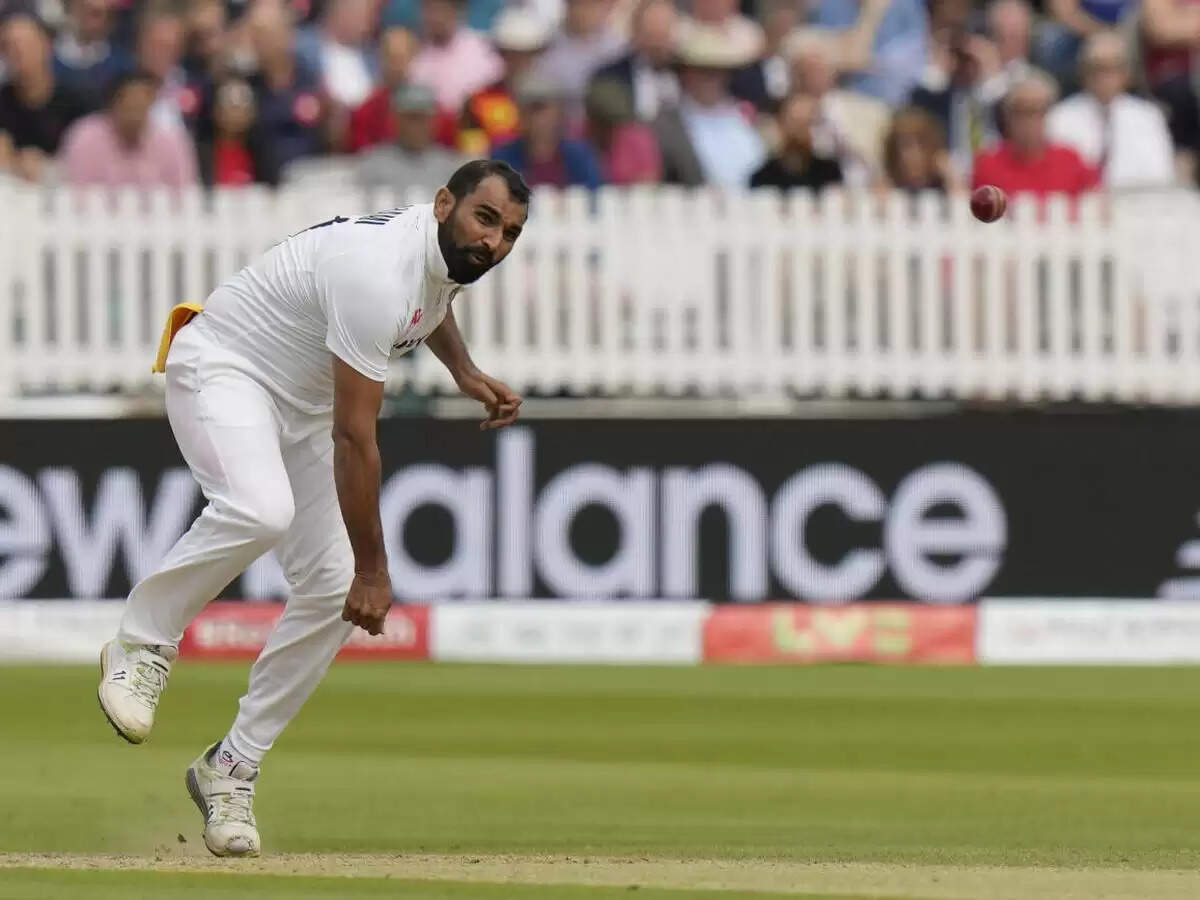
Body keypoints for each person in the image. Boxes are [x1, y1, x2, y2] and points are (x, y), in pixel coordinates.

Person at [96, 159, 529, 858]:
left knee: (328, 591)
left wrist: (466, 372)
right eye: (485, 220)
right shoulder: (375, 269)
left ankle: (230, 768)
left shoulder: (437, 256)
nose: (495, 244)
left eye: (510, 232)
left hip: (298, 405)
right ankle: (141, 643)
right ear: (444, 202)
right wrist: (374, 569)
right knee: (262, 510)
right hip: (227, 367)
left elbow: (430, 306)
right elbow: (355, 437)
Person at [1046, 30, 1175, 188]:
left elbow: (1163, 175)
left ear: (1126, 74)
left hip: (1137, 204)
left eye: (1113, 68)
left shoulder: (1148, 116)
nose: (1104, 77)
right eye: (1097, 68)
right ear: (1083, 73)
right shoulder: (1060, 117)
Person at [655, 25, 765, 187]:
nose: (710, 79)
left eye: (716, 71)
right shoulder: (667, 122)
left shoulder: (745, 117)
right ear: (685, 73)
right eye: (702, 71)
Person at [58, 68, 199, 188]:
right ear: (112, 104)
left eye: (141, 104)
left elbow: (185, 193)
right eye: (129, 104)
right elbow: (74, 189)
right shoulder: (85, 137)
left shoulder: (172, 142)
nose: (135, 112)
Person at [971, 70, 1100, 198]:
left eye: (1036, 110)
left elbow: (1096, 200)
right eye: (1021, 111)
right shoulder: (987, 164)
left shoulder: (1071, 161)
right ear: (1007, 116)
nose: (1029, 120)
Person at [0, 13, 89, 182]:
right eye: (8, 46)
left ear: (47, 45)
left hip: (64, 192)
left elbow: (92, 159)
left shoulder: (78, 102)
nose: (18, 53)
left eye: (26, 44)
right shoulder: (2, 101)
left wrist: (49, 167)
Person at [456, 7, 552, 157]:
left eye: (526, 54)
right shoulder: (477, 101)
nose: (519, 61)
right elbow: (471, 154)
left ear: (536, 54)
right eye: (511, 53)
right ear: (500, 53)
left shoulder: (550, 101)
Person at [491, 72, 604, 187]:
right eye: (526, 109)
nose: (535, 118)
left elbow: (594, 194)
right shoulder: (502, 160)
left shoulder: (580, 155)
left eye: (540, 108)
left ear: (559, 112)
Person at [355, 81, 467, 191]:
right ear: (395, 120)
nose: (416, 126)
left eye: (422, 118)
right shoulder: (373, 165)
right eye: (410, 118)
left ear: (434, 121)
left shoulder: (450, 169)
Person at [408, 0, 502, 121]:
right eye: (430, 10)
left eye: (441, 9)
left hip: (477, 126)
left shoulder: (482, 49)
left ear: (456, 11)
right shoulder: (416, 55)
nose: (436, 17)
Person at [590, 0, 678, 122]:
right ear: (635, 34)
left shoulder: (688, 76)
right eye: (651, 36)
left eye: (663, 36)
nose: (657, 45)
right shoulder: (610, 78)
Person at [195, 76, 280, 186]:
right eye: (229, 104)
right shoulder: (201, 153)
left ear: (252, 112)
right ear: (216, 111)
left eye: (242, 105)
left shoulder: (263, 153)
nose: (235, 112)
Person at [750, 91, 842, 190]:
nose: (801, 131)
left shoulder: (830, 174)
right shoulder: (763, 178)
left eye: (807, 123)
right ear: (780, 125)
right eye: (795, 123)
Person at [346, 25, 418, 152]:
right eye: (391, 58)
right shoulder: (365, 112)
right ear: (381, 59)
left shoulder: (431, 111)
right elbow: (362, 155)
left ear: (413, 59)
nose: (396, 67)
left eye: (402, 58)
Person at [53, 0, 131, 109]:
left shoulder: (121, 63)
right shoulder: (47, 53)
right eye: (82, 9)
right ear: (70, 9)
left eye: (95, 13)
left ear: (108, 19)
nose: (86, 19)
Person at [881, 104, 959, 192]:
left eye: (921, 145)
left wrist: (951, 178)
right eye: (906, 145)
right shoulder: (888, 183)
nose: (914, 153)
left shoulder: (943, 180)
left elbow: (962, 200)